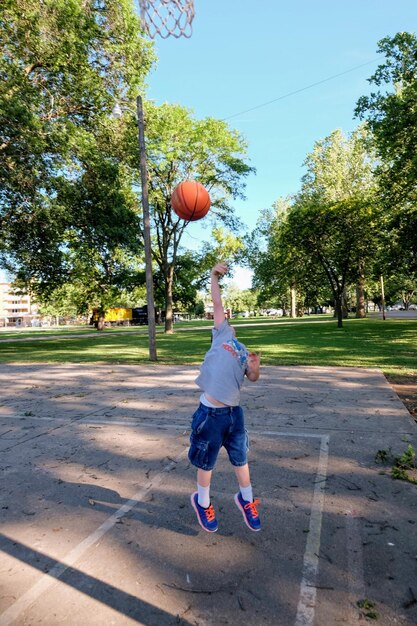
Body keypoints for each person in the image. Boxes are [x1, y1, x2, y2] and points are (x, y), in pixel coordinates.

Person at [189, 262, 261, 532]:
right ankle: (203, 502)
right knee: (206, 462)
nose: (228, 325)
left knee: (240, 459)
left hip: (234, 414)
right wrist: (213, 276)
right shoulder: (222, 335)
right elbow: (217, 304)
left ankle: (246, 500)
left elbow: (252, 378)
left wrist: (254, 368)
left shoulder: (243, 352)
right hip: (210, 414)